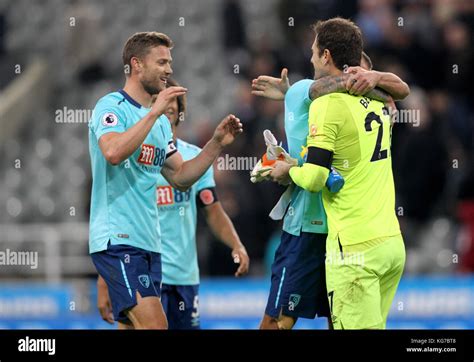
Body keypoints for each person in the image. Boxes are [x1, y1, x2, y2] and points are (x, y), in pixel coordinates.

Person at [89, 32, 242, 329]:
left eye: (170, 63)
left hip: (149, 244)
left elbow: (180, 176)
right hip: (118, 240)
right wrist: (153, 112)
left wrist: (216, 144)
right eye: (161, 62)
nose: (169, 70)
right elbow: (113, 152)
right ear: (137, 64)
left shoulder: (160, 123)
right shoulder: (111, 107)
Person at [270, 18, 405, 329]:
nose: (311, 57)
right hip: (390, 244)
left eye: (314, 51)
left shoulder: (327, 103)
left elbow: (316, 177)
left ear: (326, 55)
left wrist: (290, 169)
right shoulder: (381, 103)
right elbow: (400, 91)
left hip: (355, 249)